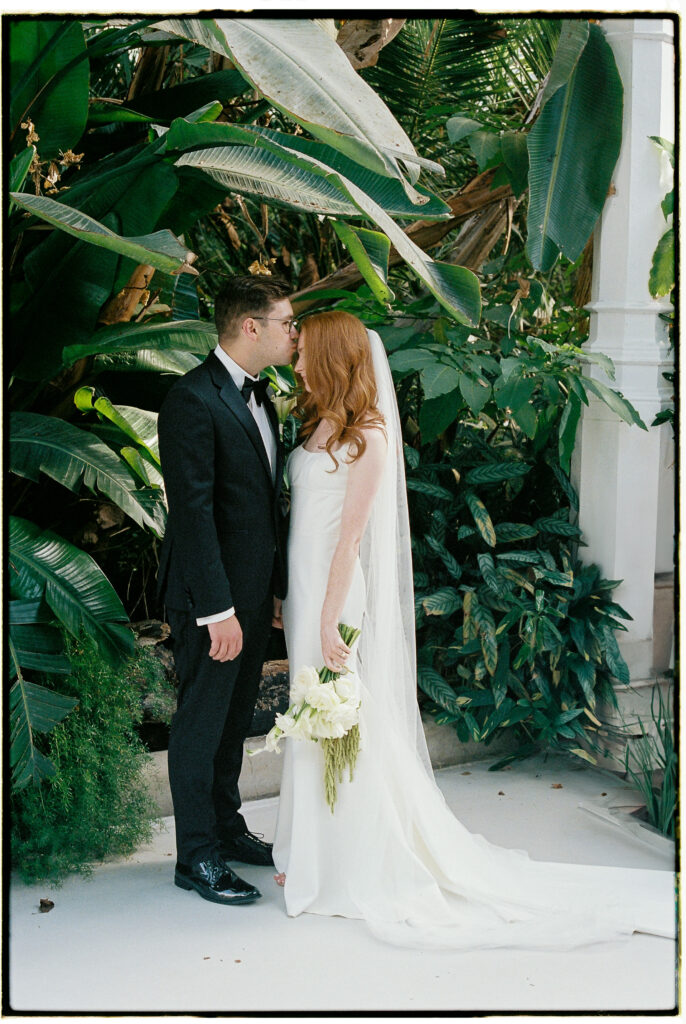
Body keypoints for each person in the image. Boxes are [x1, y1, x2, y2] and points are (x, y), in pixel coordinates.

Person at [272, 309, 675, 950]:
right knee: (310, 716)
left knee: (343, 721)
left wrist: (326, 618)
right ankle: (309, 846)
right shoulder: (318, 425)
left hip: (336, 599)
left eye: (303, 354)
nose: (293, 363)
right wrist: (288, 598)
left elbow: (350, 540)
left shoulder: (368, 438)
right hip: (304, 598)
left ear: (332, 358)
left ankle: (347, 857)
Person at [157, 275, 297, 906]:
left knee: (234, 720)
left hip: (249, 597)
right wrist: (218, 611)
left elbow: (258, 506)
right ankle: (197, 857)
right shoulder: (193, 399)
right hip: (210, 602)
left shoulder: (261, 397)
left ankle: (226, 826)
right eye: (286, 324)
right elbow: (193, 513)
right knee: (200, 724)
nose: (293, 334)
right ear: (250, 327)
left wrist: (268, 592)